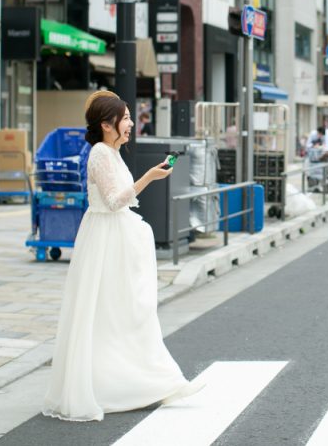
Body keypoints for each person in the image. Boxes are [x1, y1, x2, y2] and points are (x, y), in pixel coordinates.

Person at [43, 90, 204, 422]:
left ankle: (146, 380)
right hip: (105, 240)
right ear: (106, 124)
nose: (131, 123)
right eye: (126, 117)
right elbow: (115, 201)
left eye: (130, 117)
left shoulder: (112, 153)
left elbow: (120, 200)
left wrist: (149, 177)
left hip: (114, 238)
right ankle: (117, 385)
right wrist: (149, 177)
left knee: (123, 311)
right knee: (111, 311)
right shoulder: (100, 154)